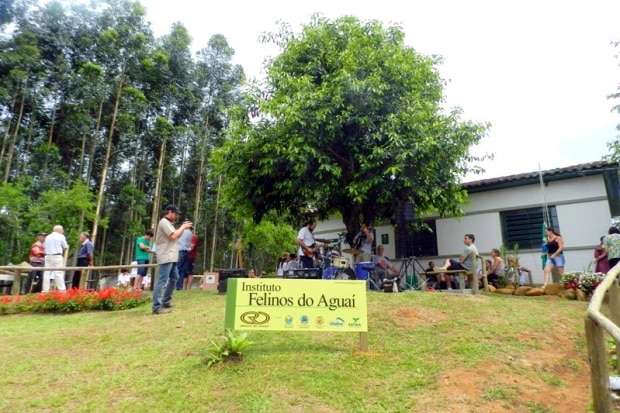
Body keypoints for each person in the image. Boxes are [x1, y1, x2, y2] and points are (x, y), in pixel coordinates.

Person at [152, 205, 193, 315]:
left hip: (172, 256)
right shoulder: (164, 222)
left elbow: (176, 236)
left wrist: (182, 229)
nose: (177, 216)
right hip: (166, 255)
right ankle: (156, 307)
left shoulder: (169, 224)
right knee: (162, 281)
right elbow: (174, 236)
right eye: (175, 214)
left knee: (175, 277)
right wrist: (183, 227)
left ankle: (165, 301)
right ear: (170, 212)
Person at [42, 225, 69, 293]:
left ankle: (45, 290)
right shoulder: (61, 236)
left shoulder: (48, 237)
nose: (63, 231)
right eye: (62, 230)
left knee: (47, 273)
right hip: (57, 256)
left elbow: (44, 246)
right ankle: (62, 290)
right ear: (59, 230)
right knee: (58, 273)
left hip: (47, 256)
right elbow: (65, 246)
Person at [176, 225, 194, 290]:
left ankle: (177, 286)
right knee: (182, 270)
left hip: (179, 251)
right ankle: (179, 286)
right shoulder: (190, 233)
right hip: (186, 252)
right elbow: (189, 244)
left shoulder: (180, 231)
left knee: (178, 268)